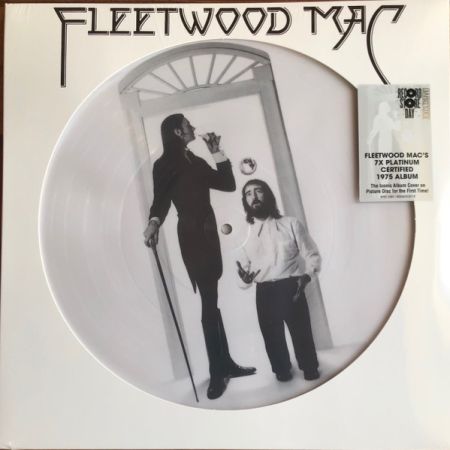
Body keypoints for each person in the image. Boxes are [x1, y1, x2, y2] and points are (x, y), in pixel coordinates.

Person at [144, 113, 256, 400]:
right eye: (187, 125)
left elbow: (227, 184)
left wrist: (217, 152)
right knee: (209, 302)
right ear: (177, 132)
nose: (192, 127)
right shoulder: (164, 164)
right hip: (192, 237)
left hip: (208, 234)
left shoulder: (195, 160)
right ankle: (217, 373)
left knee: (212, 301)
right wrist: (154, 222)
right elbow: (160, 200)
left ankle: (225, 364)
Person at [236, 179, 321, 382]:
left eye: (258, 191)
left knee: (301, 332)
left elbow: (312, 254)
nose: (254, 197)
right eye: (248, 194)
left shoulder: (291, 224)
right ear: (245, 201)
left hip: (291, 287)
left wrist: (307, 276)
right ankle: (281, 369)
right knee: (272, 337)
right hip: (264, 292)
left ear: (268, 195)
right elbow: (242, 276)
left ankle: (309, 366)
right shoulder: (243, 236)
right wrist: (245, 280)